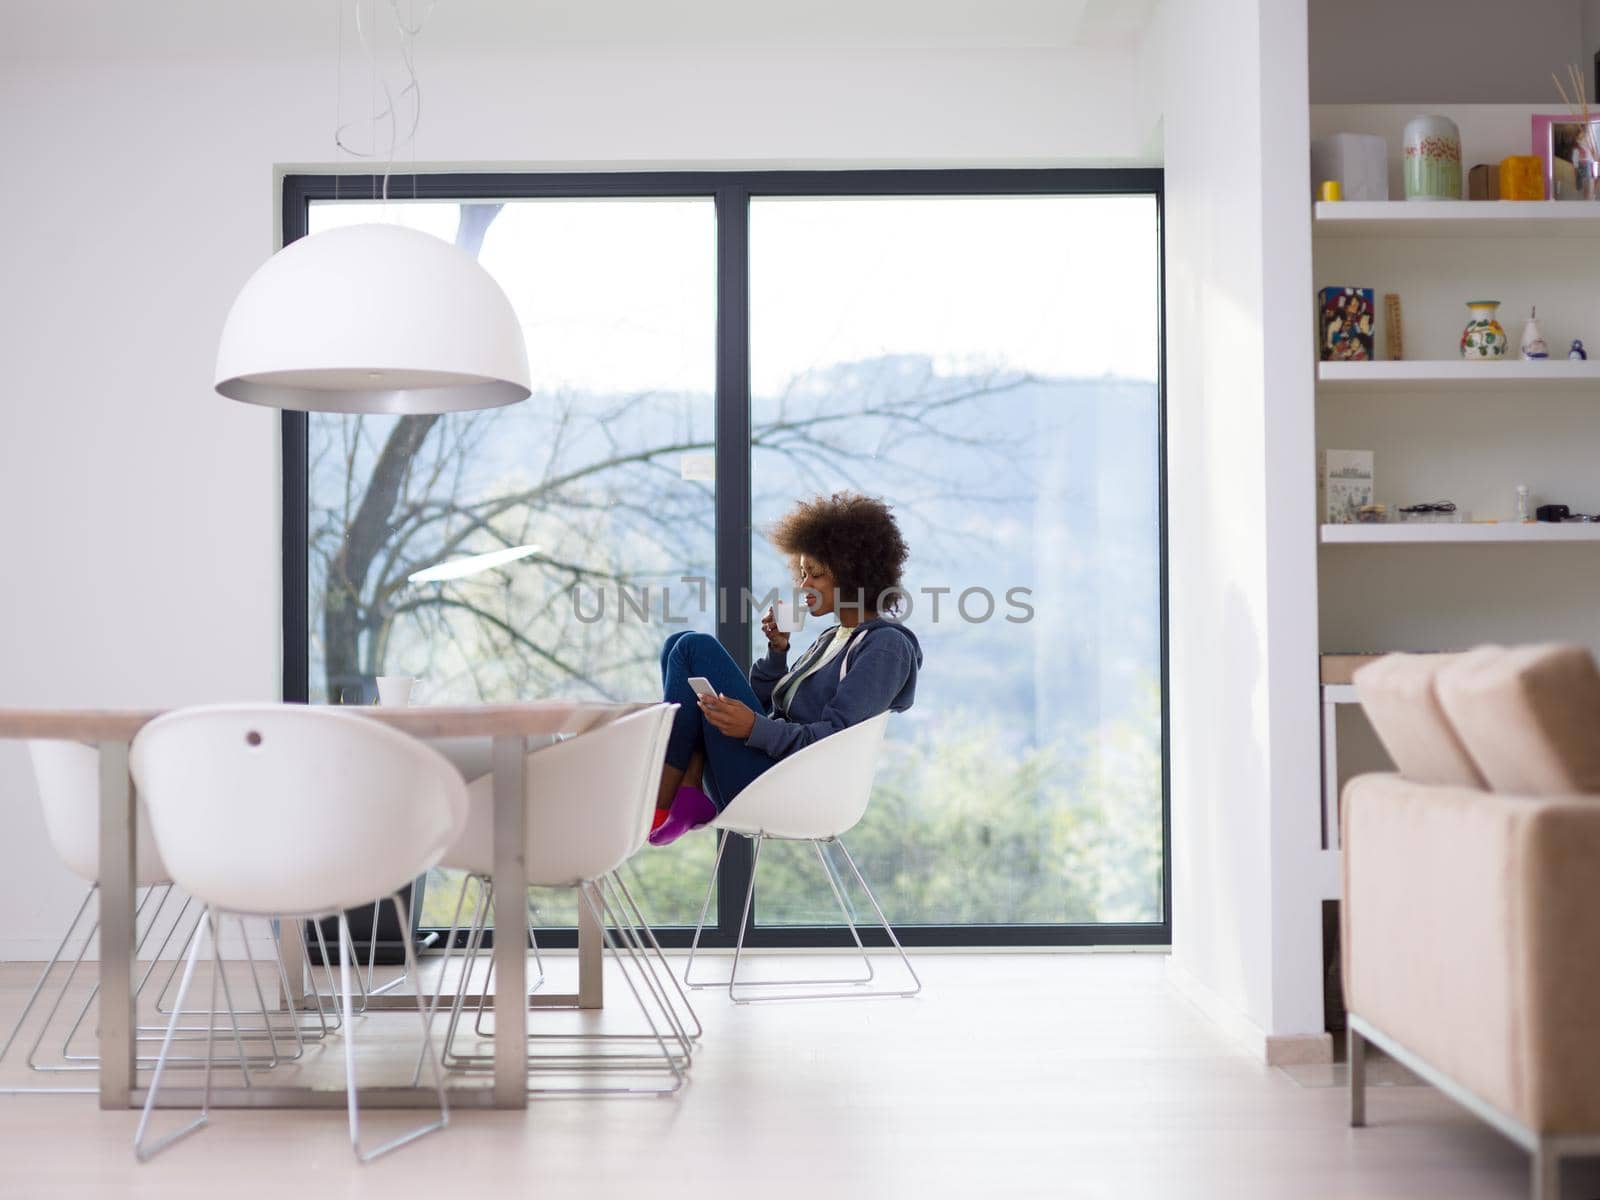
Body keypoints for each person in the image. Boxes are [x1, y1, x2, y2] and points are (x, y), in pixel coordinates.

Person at [648, 492, 923, 846]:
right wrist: (778, 652)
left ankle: (659, 804)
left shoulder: (885, 646)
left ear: (855, 574)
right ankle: (686, 790)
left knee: (692, 647)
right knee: (678, 645)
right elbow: (767, 709)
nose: (803, 585)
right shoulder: (832, 638)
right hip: (764, 774)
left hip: (794, 787)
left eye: (816, 575)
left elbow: (832, 737)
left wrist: (754, 727)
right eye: (803, 573)